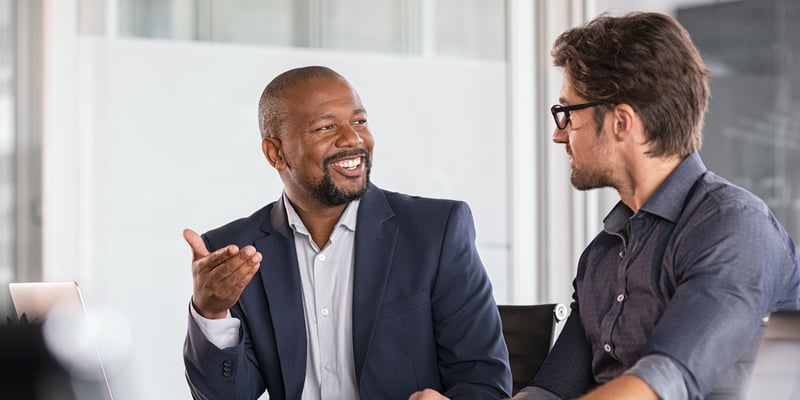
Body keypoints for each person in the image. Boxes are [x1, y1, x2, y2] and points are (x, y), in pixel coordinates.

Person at [514, 11, 800, 400]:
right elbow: (550, 392)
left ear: (621, 122)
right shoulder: (601, 255)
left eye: (568, 113)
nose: (558, 134)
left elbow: (662, 383)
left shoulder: (735, 228)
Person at [182, 65, 512, 400]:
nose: (353, 139)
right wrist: (211, 313)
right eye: (326, 127)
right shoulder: (235, 252)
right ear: (276, 153)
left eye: (359, 122)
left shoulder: (435, 232)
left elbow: (484, 381)